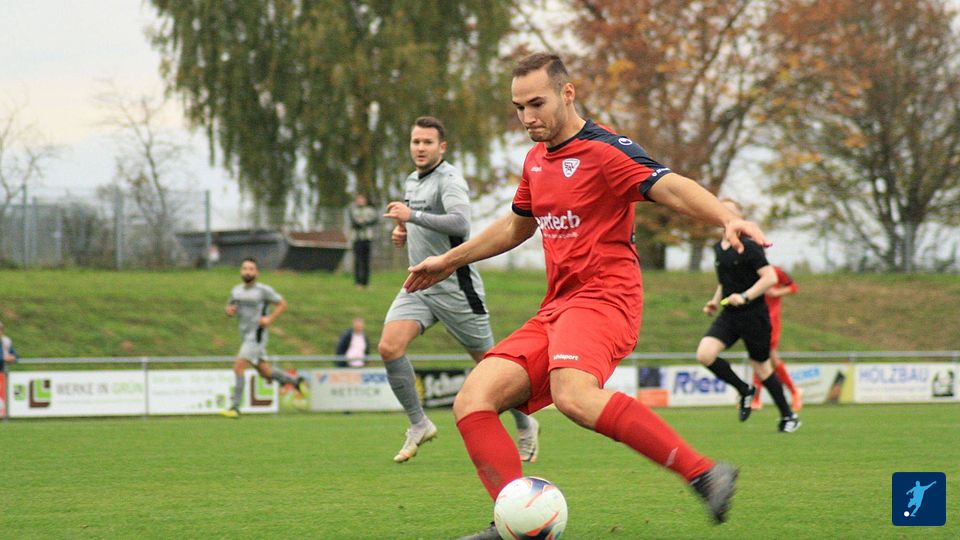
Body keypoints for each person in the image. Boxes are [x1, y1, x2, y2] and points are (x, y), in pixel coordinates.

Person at [404, 53, 766, 538]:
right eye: (518, 107)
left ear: (567, 93)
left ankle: (704, 473)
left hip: (605, 299)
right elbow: (516, 226)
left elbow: (671, 186)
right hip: (557, 306)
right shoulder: (536, 160)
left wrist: (727, 218)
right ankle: (513, 521)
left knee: (572, 395)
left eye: (537, 103)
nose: (527, 117)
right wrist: (449, 260)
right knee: (474, 398)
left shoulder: (605, 150)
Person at [379, 115, 540, 465]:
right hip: (420, 285)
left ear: (442, 147)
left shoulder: (449, 180)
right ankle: (419, 424)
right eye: (415, 142)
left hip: (455, 287)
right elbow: (420, 221)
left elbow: (460, 223)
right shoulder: (412, 180)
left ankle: (526, 423)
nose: (420, 148)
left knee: (491, 366)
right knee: (389, 347)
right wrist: (404, 231)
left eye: (427, 142)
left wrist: (411, 217)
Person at [697, 199, 801, 433]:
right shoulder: (718, 248)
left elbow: (770, 278)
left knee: (762, 368)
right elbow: (725, 282)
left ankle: (788, 416)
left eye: (731, 212)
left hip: (754, 315)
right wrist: (714, 301)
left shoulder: (750, 247)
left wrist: (745, 296)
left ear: (740, 219)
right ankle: (744, 390)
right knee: (705, 354)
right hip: (729, 315)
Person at [220, 258, 306, 418]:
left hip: (256, 336)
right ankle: (295, 381)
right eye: (245, 268)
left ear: (257, 272)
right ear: (241, 271)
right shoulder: (236, 291)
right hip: (244, 335)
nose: (248, 272)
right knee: (266, 372)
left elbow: (283, 304)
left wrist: (269, 319)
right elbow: (229, 307)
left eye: (251, 269)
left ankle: (235, 407)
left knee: (238, 367)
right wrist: (228, 311)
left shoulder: (263, 290)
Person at [750, 265, 802, 411]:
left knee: (761, 356)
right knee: (765, 358)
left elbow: (793, 287)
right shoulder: (747, 272)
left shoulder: (775, 271)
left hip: (771, 321)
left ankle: (756, 398)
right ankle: (794, 391)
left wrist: (776, 292)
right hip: (754, 320)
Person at [349, 193, 379, 288]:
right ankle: (358, 282)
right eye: (358, 199)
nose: (360, 201)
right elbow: (354, 222)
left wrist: (364, 223)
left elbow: (374, 220)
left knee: (366, 261)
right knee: (358, 261)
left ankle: (366, 282)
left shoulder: (370, 210)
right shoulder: (353, 210)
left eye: (362, 199)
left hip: (367, 238)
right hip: (357, 238)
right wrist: (361, 224)